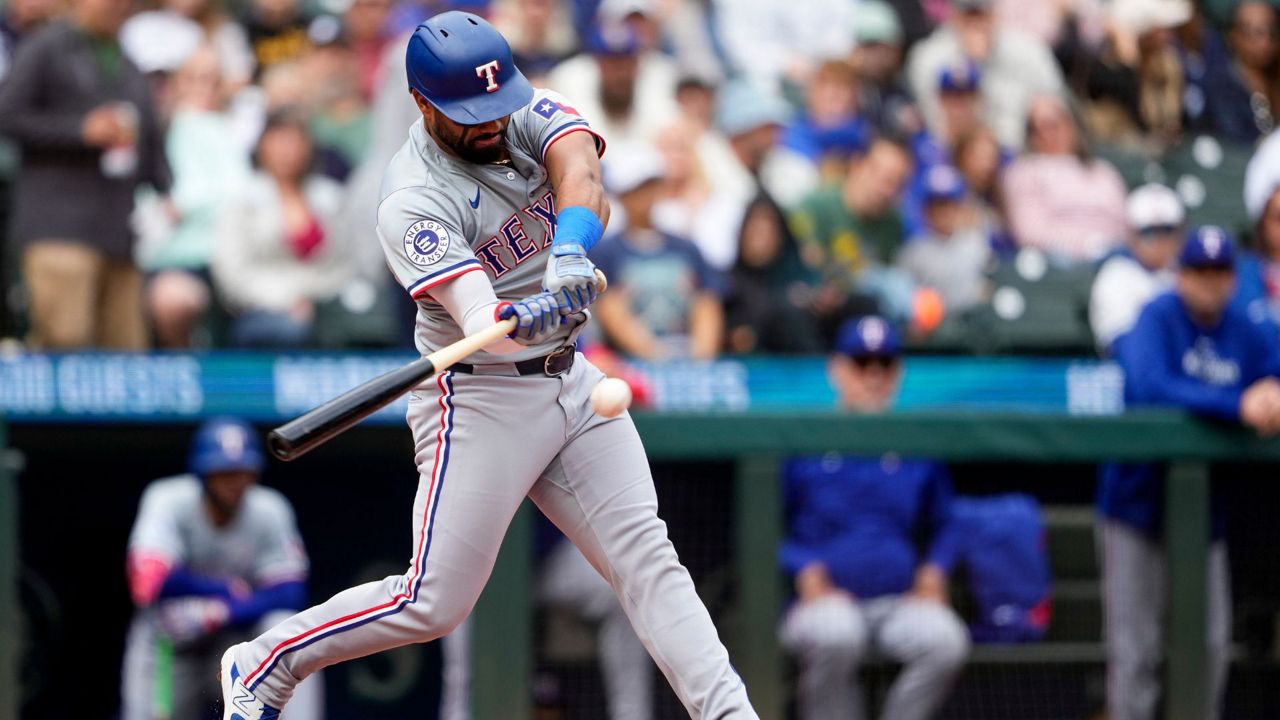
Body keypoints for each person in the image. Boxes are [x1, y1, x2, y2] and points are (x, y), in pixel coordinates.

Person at [219, 12, 758, 719]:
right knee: (433, 602)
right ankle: (267, 660)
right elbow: (479, 326)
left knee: (650, 563)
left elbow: (581, 169)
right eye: (468, 115)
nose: (490, 124)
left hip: (572, 382)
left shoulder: (515, 104)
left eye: (495, 105)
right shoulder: (412, 197)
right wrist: (516, 317)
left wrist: (569, 246)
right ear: (421, 103)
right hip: (480, 399)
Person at [1098, 226, 1280, 720]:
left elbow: (1271, 372)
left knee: (1210, 647)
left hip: (1204, 518)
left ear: (1231, 277)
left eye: (1219, 271)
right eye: (1199, 269)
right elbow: (1149, 388)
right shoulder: (1154, 318)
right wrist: (1235, 403)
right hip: (1136, 508)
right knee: (1135, 654)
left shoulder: (1244, 329)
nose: (1209, 281)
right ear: (1181, 273)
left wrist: (1270, 391)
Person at [780, 315, 970, 720]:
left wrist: (935, 569)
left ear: (897, 372)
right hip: (821, 604)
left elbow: (947, 523)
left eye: (884, 365)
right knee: (838, 634)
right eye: (862, 364)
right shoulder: (806, 439)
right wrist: (803, 566)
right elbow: (766, 526)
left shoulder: (914, 442)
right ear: (837, 370)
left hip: (897, 603)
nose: (874, 375)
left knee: (946, 640)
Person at [122, 417, 322, 720]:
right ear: (203, 473)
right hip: (170, 644)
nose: (234, 481)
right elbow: (146, 582)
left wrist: (220, 612)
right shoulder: (168, 499)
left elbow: (290, 592)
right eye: (224, 472)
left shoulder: (269, 508)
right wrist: (219, 590)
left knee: (284, 626)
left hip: (236, 640)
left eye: (243, 472)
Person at [0, 0, 171, 350]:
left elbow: (149, 134)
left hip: (118, 228)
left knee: (125, 350)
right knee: (67, 340)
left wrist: (165, 189)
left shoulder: (125, 57)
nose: (117, 7)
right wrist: (80, 131)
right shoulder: (46, 46)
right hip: (58, 226)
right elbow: (9, 116)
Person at [212, 107, 351, 348]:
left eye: (295, 140)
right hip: (262, 310)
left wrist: (315, 302)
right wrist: (289, 299)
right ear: (262, 145)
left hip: (326, 307)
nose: (287, 150)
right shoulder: (242, 200)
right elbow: (233, 276)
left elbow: (347, 264)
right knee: (293, 331)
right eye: (279, 140)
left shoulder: (329, 197)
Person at [592, 143, 725, 361]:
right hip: (631, 366)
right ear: (622, 194)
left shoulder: (687, 248)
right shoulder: (605, 252)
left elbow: (707, 303)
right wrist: (655, 355)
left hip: (689, 358)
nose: (645, 195)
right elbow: (611, 310)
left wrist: (700, 358)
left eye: (650, 186)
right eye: (637, 188)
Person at [906, 0, 1065, 150]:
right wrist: (973, 63)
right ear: (954, 16)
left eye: (981, 14)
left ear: (994, 14)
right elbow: (934, 120)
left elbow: (1056, 99)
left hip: (1022, 152)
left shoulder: (1028, 48)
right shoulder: (928, 55)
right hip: (956, 153)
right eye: (969, 15)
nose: (976, 23)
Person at [1001, 93, 1128, 262]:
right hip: (1058, 263)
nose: (1046, 134)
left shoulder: (1103, 171)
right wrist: (1088, 245)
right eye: (1036, 128)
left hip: (1113, 257)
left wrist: (1107, 246)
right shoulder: (1024, 171)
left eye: (1052, 124)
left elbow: (1124, 224)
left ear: (1070, 124)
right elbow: (1030, 232)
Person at [1089, 183, 1186, 353]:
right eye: (1149, 233)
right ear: (1131, 235)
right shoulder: (1117, 274)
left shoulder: (1191, 273)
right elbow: (1119, 341)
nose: (1159, 240)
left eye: (1167, 231)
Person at [897, 164, 991, 314]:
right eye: (938, 205)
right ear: (926, 210)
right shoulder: (913, 251)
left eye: (950, 205)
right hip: (935, 328)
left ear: (960, 207)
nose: (945, 212)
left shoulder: (976, 243)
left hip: (973, 323)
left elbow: (990, 285)